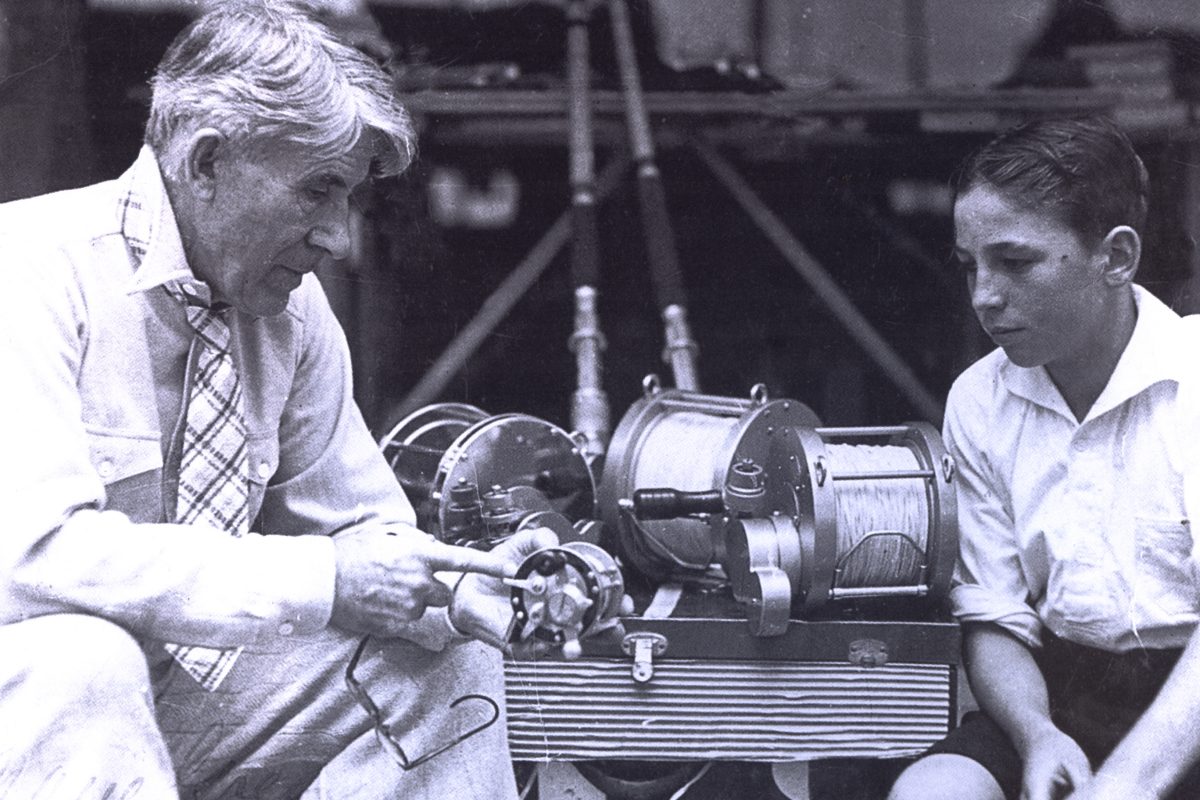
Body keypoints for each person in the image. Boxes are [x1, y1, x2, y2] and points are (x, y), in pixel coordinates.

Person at [0, 3, 562, 798]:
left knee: (443, 658)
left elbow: (365, 529)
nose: (337, 235)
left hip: (156, 700)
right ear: (206, 164)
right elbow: (32, 560)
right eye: (318, 191)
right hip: (34, 688)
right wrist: (324, 577)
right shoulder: (25, 270)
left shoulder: (288, 312)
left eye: (350, 198)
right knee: (85, 661)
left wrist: (460, 585)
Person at [888, 116, 1200, 800]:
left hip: (1190, 701)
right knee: (932, 791)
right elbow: (994, 614)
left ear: (1116, 257)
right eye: (970, 267)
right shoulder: (978, 399)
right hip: (1063, 697)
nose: (984, 297)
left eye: (1015, 262)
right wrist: (1038, 736)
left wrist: (1129, 782)